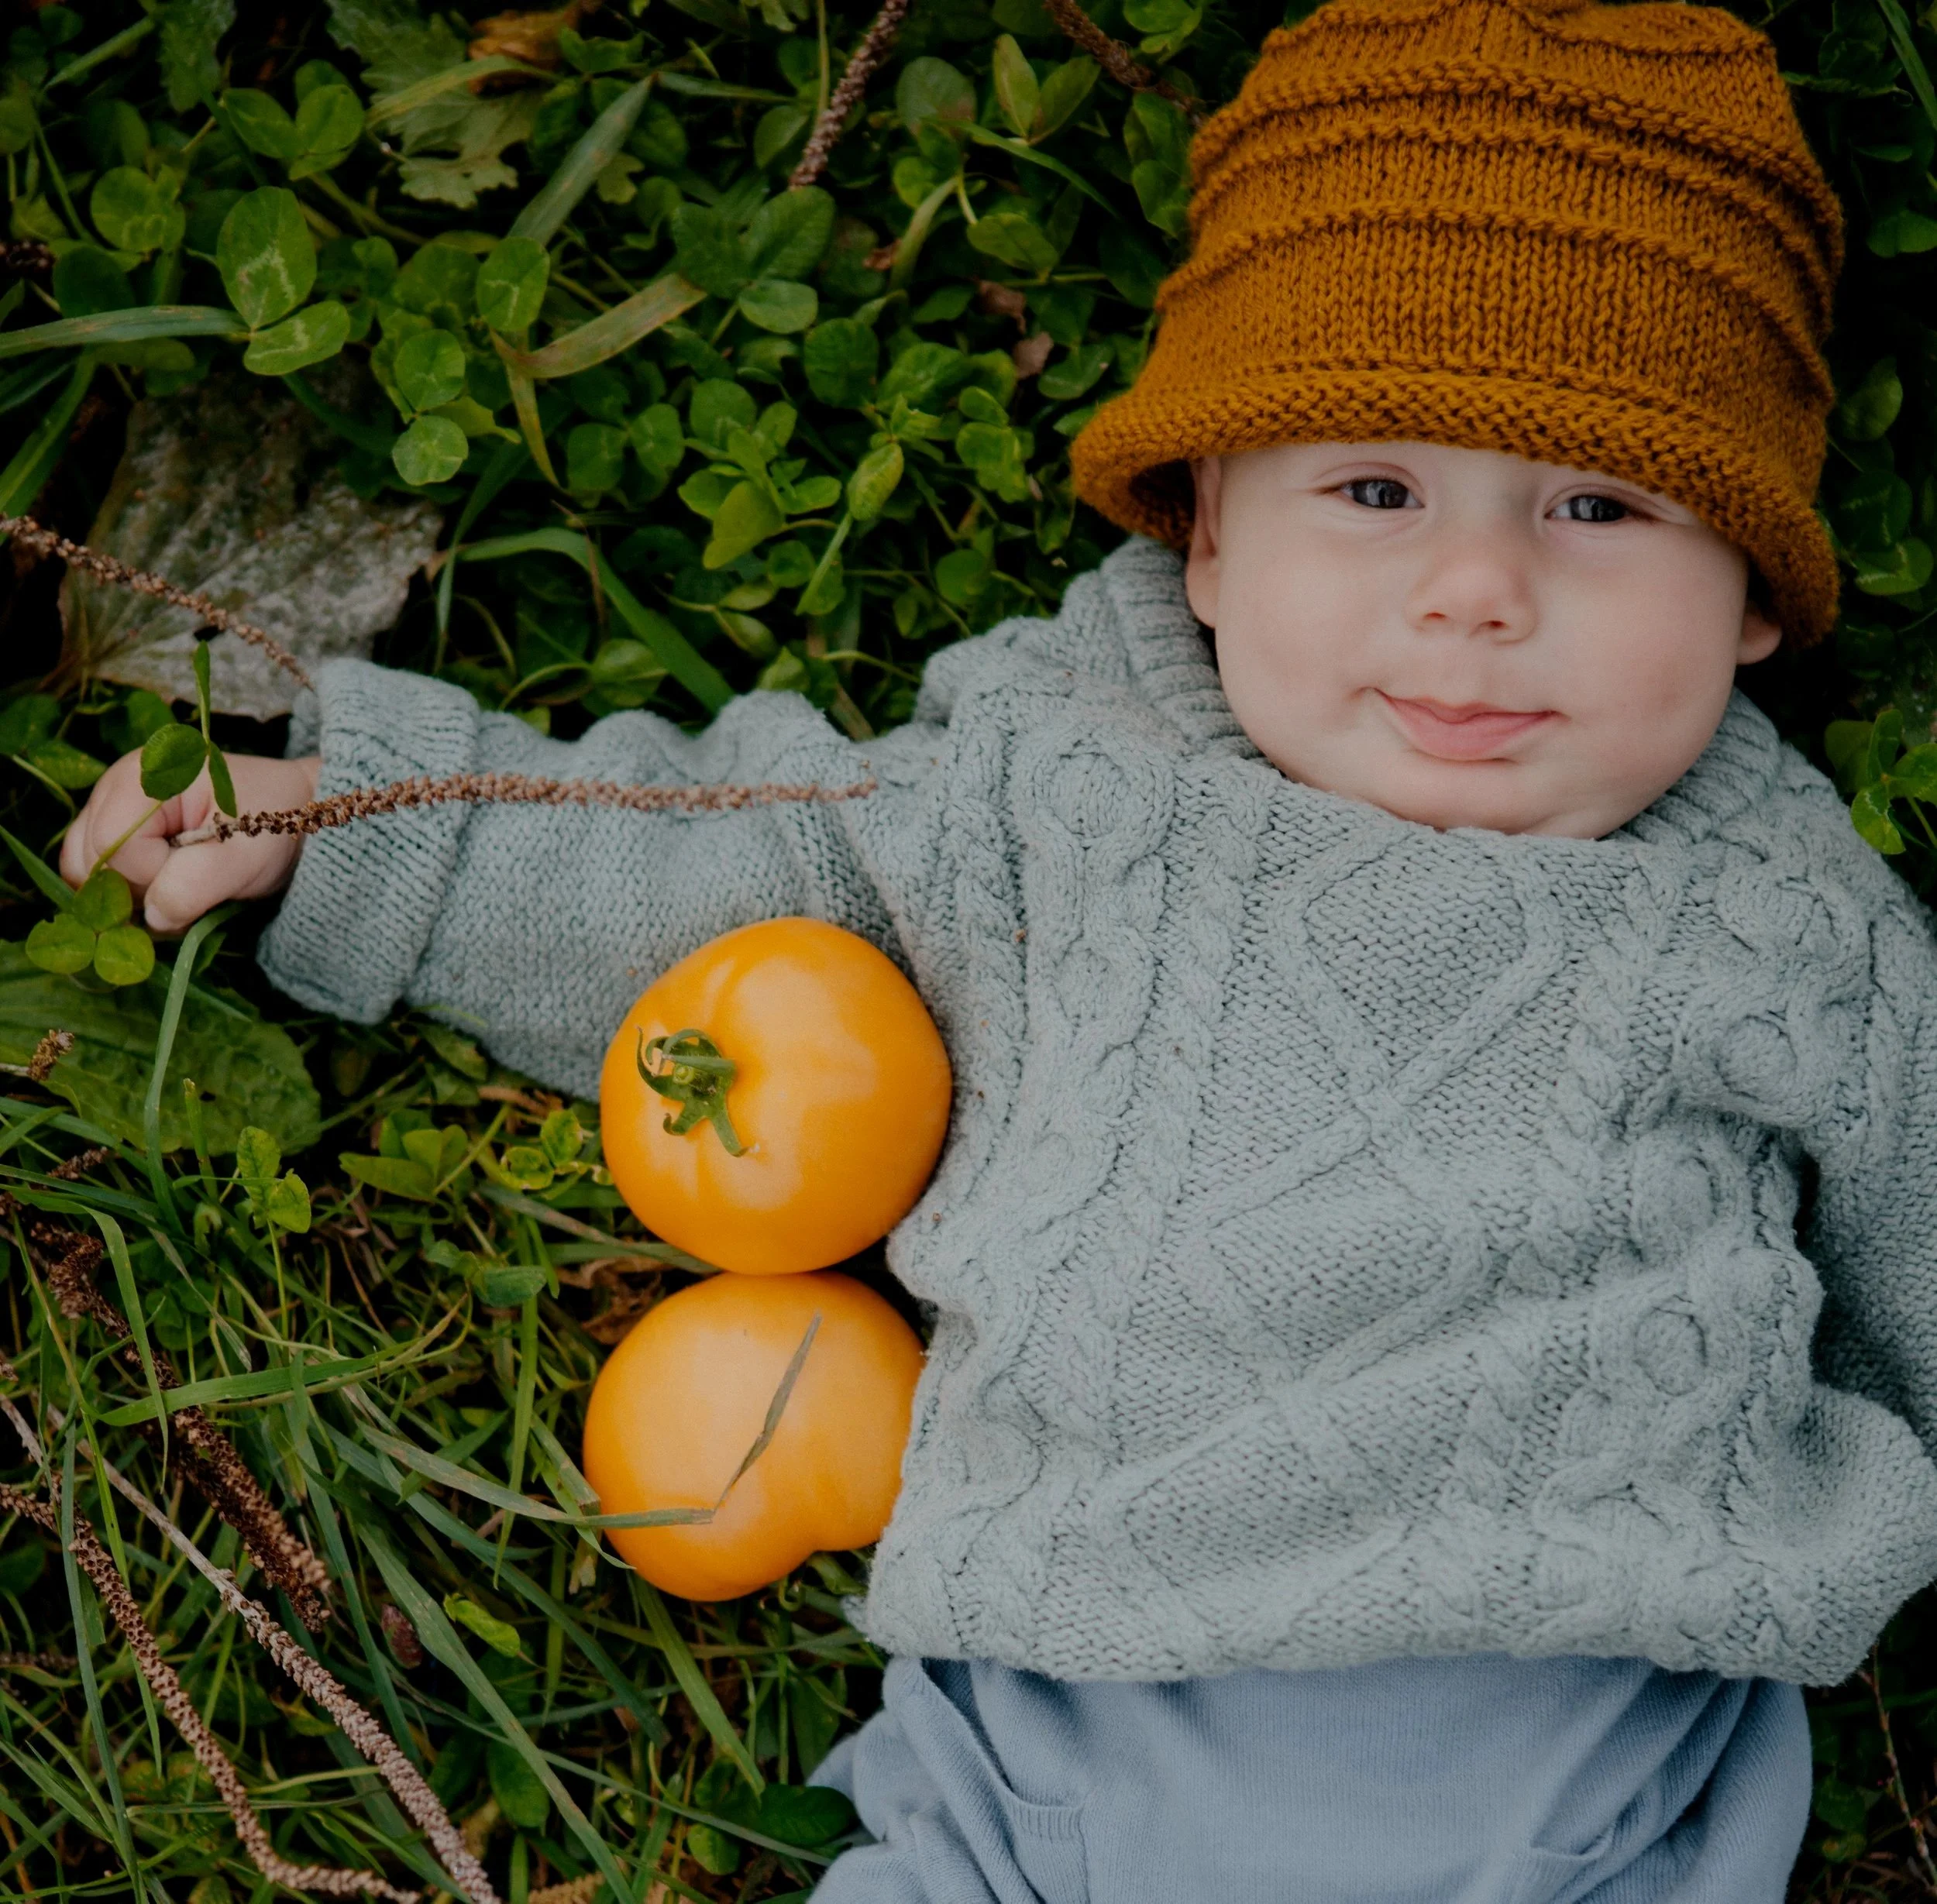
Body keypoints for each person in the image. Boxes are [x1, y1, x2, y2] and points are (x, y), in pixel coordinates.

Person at [63, 0, 1937, 1895]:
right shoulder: (1063, 776)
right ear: (1203, 536)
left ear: (1756, 592)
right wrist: (360, 825)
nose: (1472, 589)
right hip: (1025, 1782)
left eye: (1597, 507)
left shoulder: (1794, 930)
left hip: (1567, 1795)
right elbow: (730, 883)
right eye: (1372, 491)